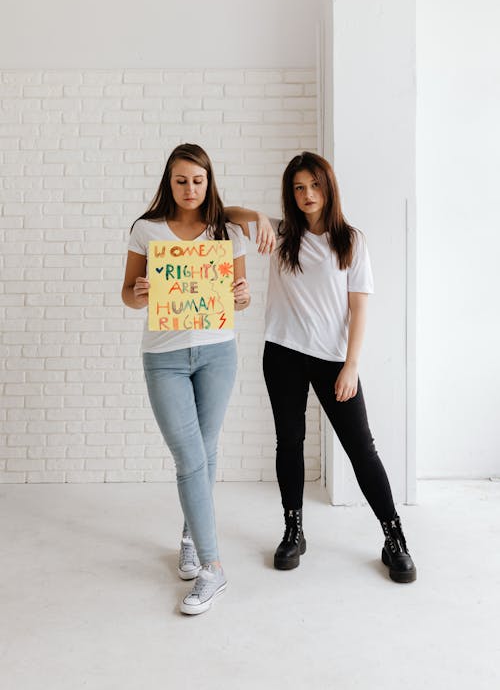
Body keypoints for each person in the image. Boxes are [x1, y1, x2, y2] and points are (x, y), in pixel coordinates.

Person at [225, 151, 416, 583]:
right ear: (290, 194)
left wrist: (351, 366)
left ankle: (394, 538)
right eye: (298, 187)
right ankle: (293, 530)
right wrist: (255, 214)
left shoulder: (351, 240)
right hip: (283, 355)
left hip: (333, 361)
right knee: (288, 444)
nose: (307, 194)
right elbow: (224, 213)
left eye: (314, 185)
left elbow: (359, 309)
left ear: (328, 187)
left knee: (361, 449)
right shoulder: (279, 234)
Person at [122, 143, 250, 614]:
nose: (190, 188)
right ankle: (213, 568)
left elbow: (240, 299)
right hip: (165, 357)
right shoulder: (146, 229)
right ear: (168, 182)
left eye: (198, 180)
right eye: (181, 180)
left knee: (207, 449)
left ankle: (192, 538)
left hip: (218, 353)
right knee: (189, 457)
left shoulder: (227, 231)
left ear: (209, 181)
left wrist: (240, 294)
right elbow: (129, 295)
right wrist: (138, 292)